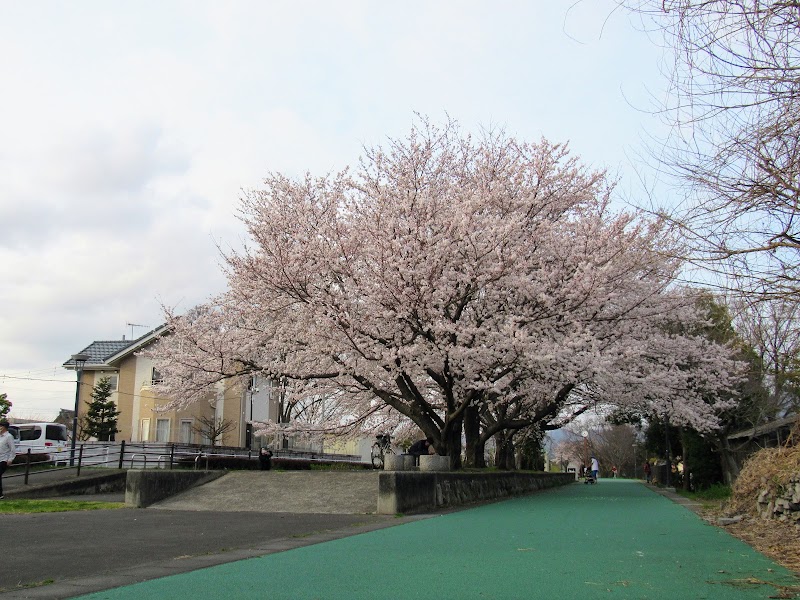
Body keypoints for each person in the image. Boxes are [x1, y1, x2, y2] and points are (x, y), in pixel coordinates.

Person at [0, 420, 16, 499]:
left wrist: (10, 459)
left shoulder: (9, 436)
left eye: (1, 426)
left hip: (4, 459)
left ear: (4, 428)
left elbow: (12, 449)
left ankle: (0, 494)